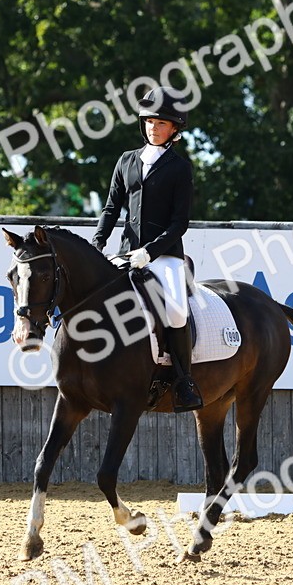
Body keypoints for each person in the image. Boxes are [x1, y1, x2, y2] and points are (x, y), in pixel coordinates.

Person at [92, 86, 203, 412]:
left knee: (175, 312)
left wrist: (151, 252)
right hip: (126, 252)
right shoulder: (126, 160)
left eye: (162, 124)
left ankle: (184, 382)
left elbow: (179, 222)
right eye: (150, 122)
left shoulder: (180, 168)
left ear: (174, 130)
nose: (154, 128)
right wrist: (98, 242)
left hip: (164, 255)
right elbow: (111, 208)